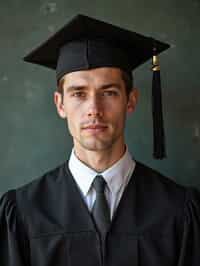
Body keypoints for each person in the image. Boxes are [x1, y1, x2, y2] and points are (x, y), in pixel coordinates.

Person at [0, 14, 200, 266]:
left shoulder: (179, 211)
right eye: (79, 93)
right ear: (60, 104)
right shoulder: (23, 212)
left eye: (109, 92)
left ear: (131, 101)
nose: (94, 108)